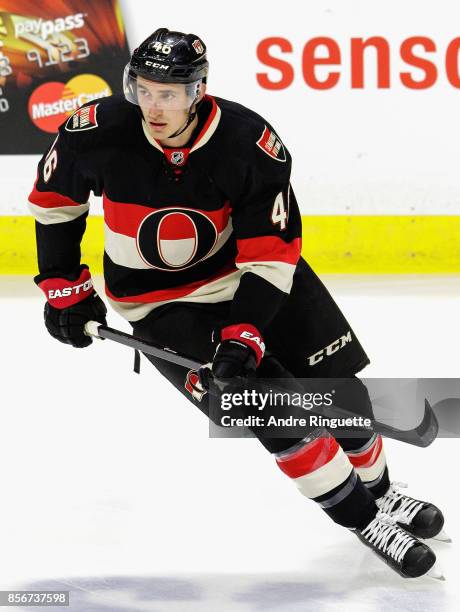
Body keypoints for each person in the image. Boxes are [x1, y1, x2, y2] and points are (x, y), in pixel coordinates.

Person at [29, 28, 446, 579]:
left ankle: (384, 494)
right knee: (276, 412)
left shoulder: (249, 142)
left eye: (168, 94)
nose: (153, 106)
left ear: (197, 90)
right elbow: (55, 204)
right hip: (161, 307)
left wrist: (244, 333)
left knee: (341, 393)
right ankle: (365, 520)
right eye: (144, 90)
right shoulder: (95, 130)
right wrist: (65, 288)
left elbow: (272, 256)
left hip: (254, 279)